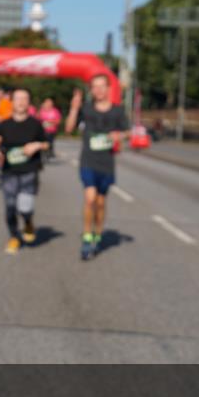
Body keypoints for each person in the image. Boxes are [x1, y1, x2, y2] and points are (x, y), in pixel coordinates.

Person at [65, 74, 129, 261]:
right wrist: (73, 109)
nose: (99, 90)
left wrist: (119, 136)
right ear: (91, 90)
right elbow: (69, 129)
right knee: (90, 197)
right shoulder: (85, 109)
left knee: (100, 202)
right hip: (88, 160)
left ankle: (98, 233)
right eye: (95, 87)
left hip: (106, 163)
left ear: (108, 89)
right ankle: (86, 237)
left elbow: (127, 131)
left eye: (102, 86)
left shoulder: (117, 111)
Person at [0, 88, 49, 254]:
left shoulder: (35, 124)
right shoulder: (4, 124)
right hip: (9, 171)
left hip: (29, 170)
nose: (21, 102)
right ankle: (14, 237)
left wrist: (37, 145)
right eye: (18, 99)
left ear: (28, 102)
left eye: (25, 99)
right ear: (12, 102)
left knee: (25, 207)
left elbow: (46, 144)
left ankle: (28, 222)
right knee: (9, 207)